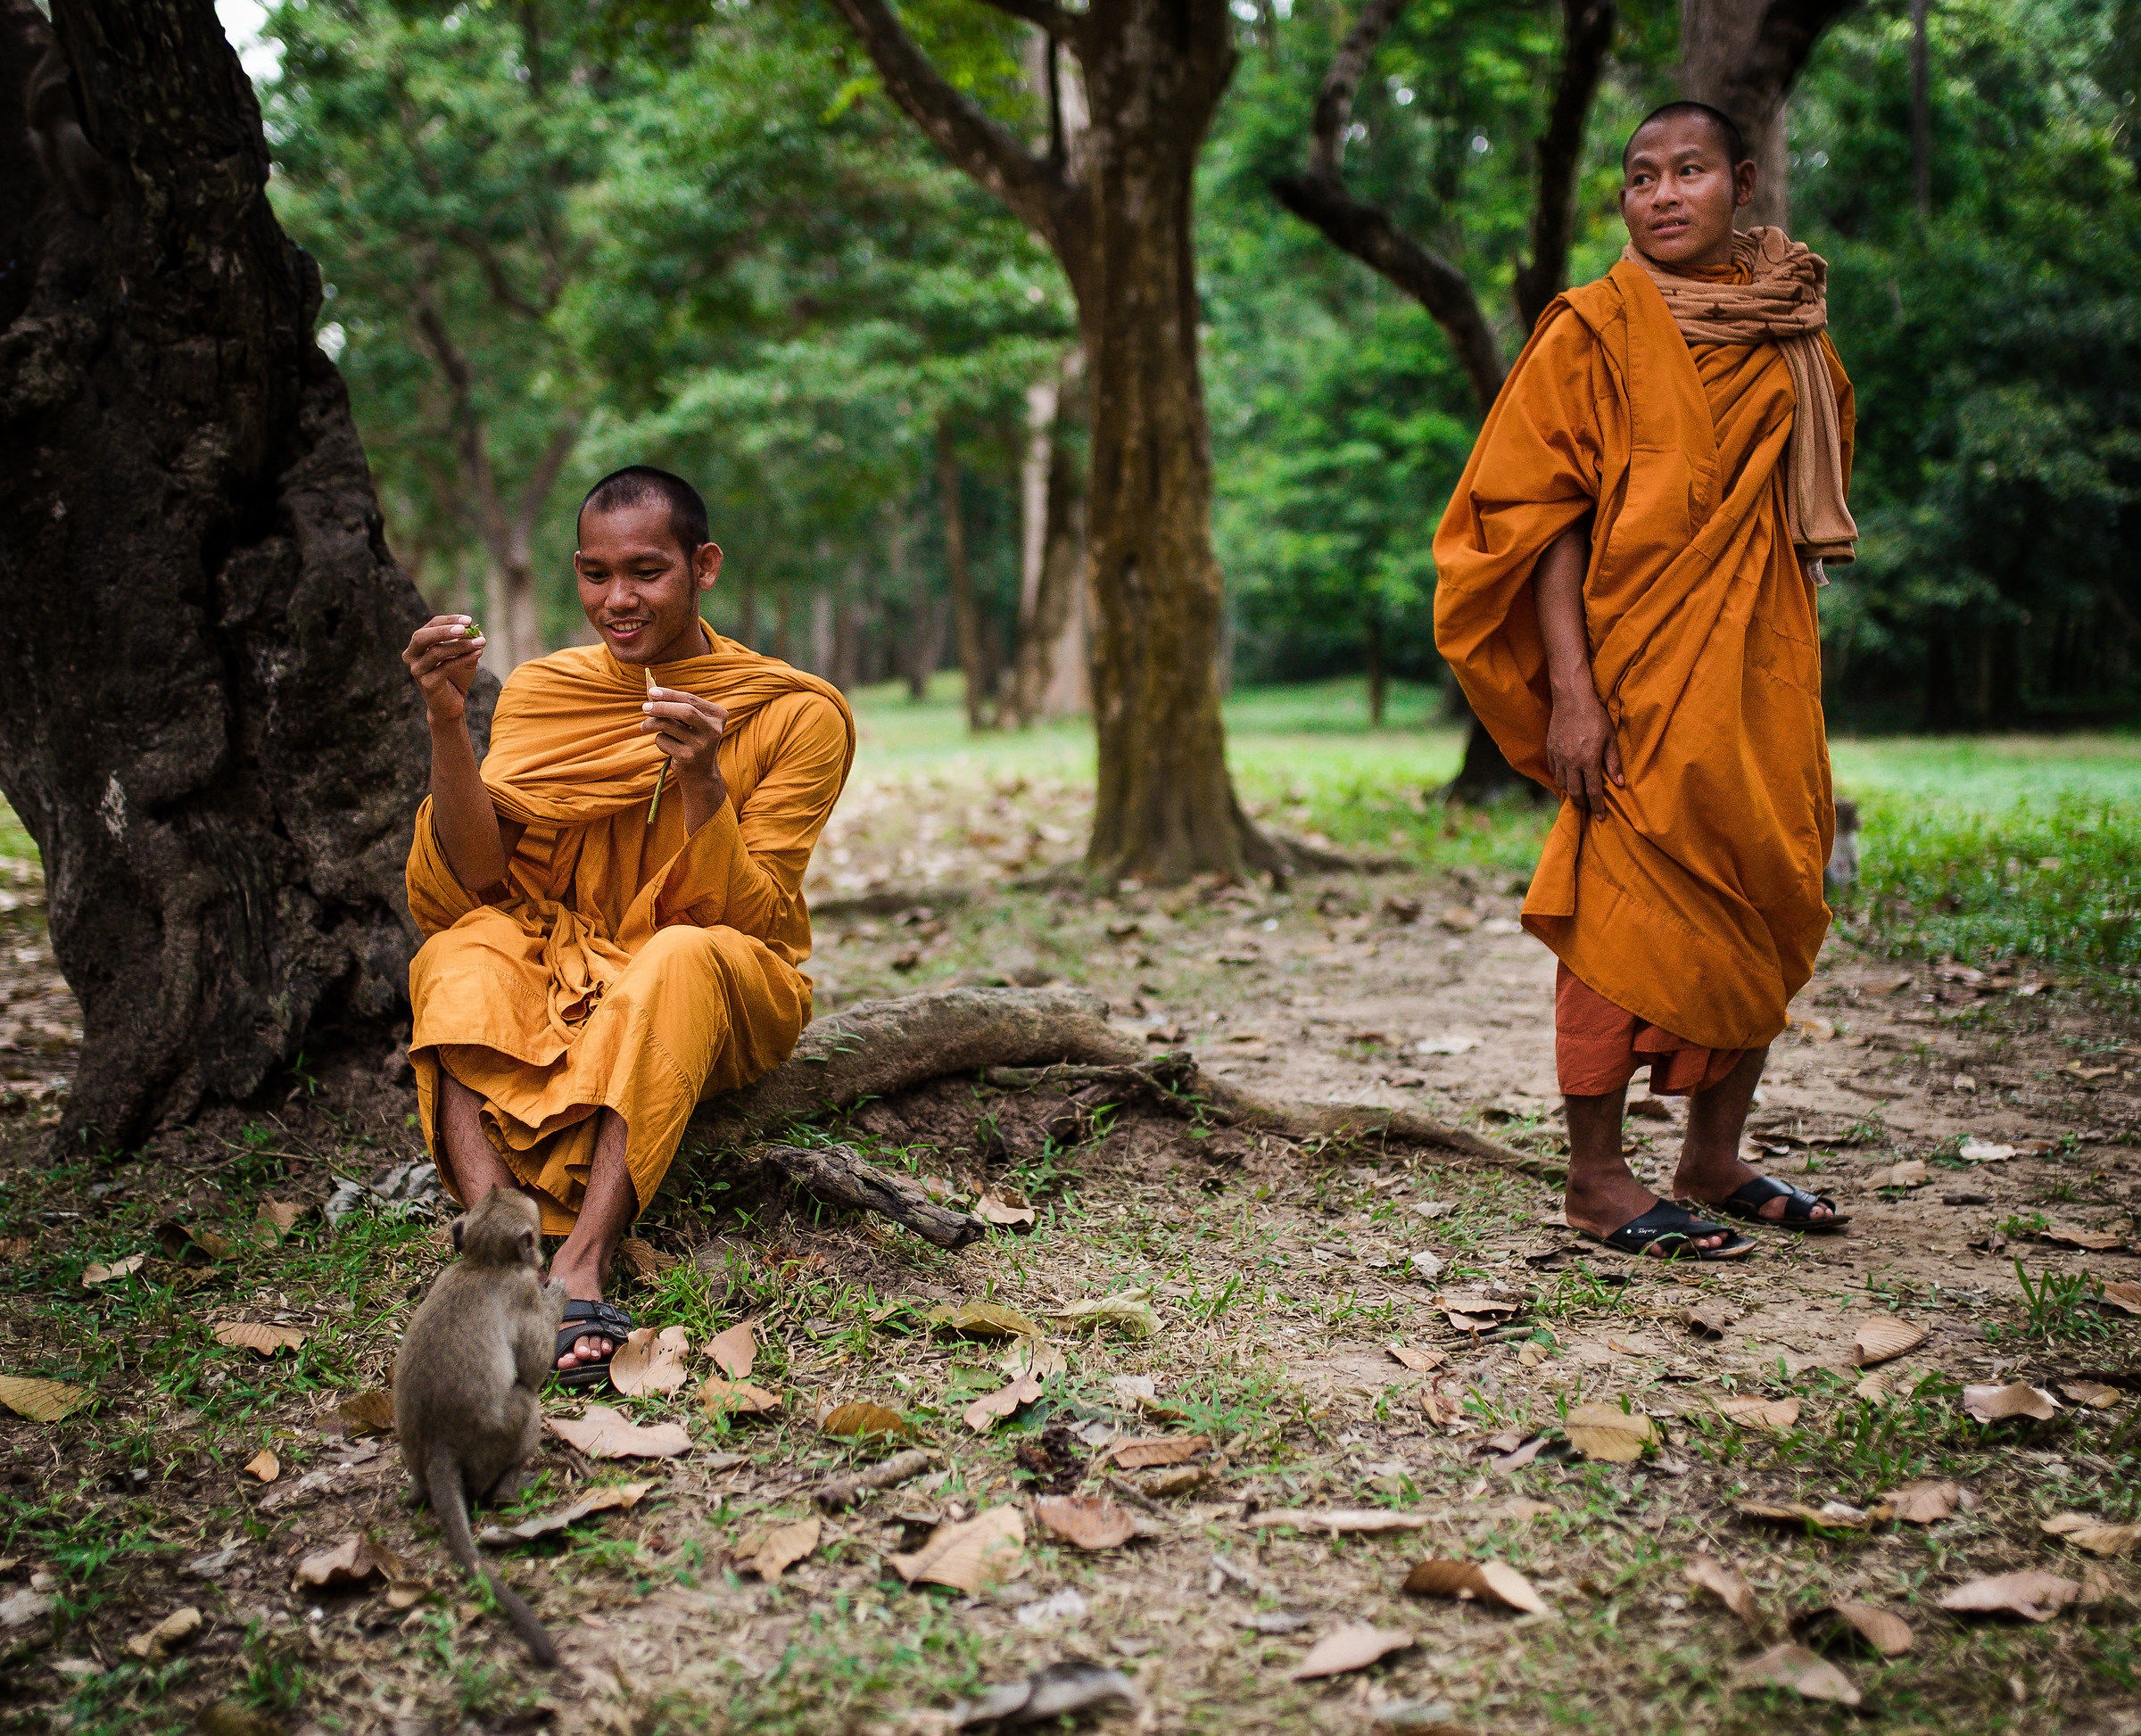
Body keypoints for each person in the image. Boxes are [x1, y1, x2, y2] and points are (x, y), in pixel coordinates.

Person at [1433, 102, 1856, 1260]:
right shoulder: (1593, 329)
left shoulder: (1794, 328)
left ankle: (1713, 1157)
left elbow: (1798, 516)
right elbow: (1537, 524)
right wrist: (1570, 691)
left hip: (1762, 670)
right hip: (1632, 672)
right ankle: (1594, 1176)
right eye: (1639, 178)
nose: (1662, 195)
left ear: (1745, 183)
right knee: (1615, 911)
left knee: (1775, 891)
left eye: (1689, 172)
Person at [401, 467, 854, 1376]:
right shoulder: (543, 691)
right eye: (596, 574)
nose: (619, 599)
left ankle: (584, 1259)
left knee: (680, 954)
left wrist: (701, 780)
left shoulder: (795, 712)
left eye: (647, 571)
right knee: (459, 951)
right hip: (567, 954)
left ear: (704, 566)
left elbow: (750, 915)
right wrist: (449, 722)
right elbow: (479, 878)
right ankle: (499, 1257)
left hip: (719, 977)